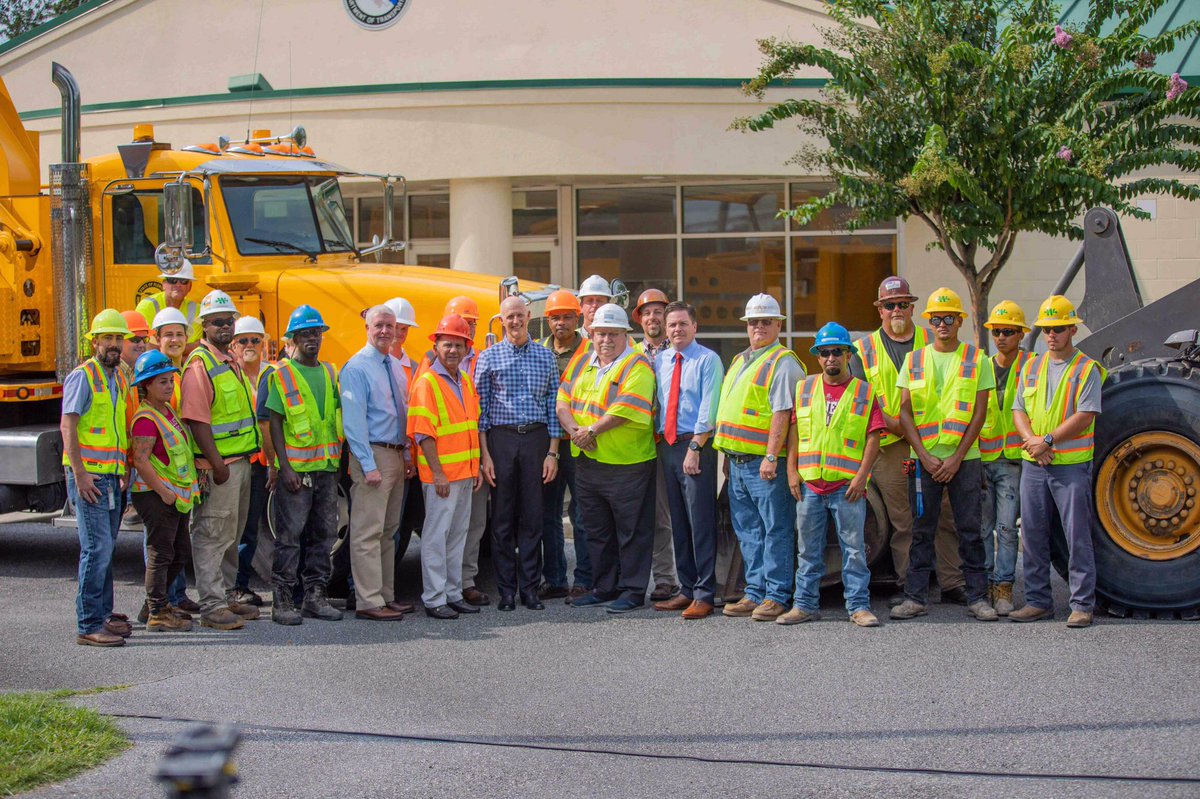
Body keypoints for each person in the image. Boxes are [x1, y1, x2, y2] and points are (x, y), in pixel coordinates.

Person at [851, 277, 965, 606]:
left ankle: (952, 581)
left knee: (944, 514)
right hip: (890, 446)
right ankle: (910, 584)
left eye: (903, 303)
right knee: (903, 518)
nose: (897, 310)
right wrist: (904, 429)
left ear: (913, 308)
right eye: (890, 305)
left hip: (936, 442)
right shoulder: (863, 349)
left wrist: (924, 436)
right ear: (880, 310)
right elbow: (866, 402)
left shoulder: (934, 339)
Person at [891, 288, 998, 622]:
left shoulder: (977, 359)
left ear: (960, 321)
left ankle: (978, 597)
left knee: (970, 530)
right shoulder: (914, 360)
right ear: (929, 322)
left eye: (948, 318)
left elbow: (979, 414)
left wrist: (956, 458)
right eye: (936, 319)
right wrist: (923, 455)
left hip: (964, 461)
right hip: (924, 461)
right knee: (921, 530)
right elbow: (904, 412)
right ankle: (915, 598)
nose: (942, 324)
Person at [556, 304, 658, 614]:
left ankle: (632, 590)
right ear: (592, 334)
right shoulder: (581, 361)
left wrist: (591, 431)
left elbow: (627, 407)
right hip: (589, 461)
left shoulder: (636, 364)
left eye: (613, 334)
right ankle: (604, 587)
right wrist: (574, 430)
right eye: (600, 333)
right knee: (597, 529)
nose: (606, 340)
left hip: (628, 464)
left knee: (631, 531)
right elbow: (562, 400)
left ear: (625, 334)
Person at [1010, 296, 1104, 628]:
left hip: (1070, 466)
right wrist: (1034, 443)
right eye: (1047, 329)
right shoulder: (1031, 367)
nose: (1052, 335)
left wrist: (1047, 441)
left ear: (1072, 330)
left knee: (1076, 536)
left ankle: (1082, 605)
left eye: (1059, 328)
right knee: (1032, 535)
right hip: (1034, 463)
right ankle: (1038, 602)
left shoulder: (1086, 369)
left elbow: (1086, 414)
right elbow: (1018, 409)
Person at [784, 323, 885, 627]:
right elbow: (794, 432)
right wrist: (791, 471)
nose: (831, 357)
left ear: (848, 355)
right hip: (810, 485)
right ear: (817, 356)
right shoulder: (804, 388)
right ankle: (804, 605)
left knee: (854, 551)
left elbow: (873, 436)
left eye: (837, 352)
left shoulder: (864, 392)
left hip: (847, 486)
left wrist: (862, 477)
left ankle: (858, 606)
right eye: (825, 352)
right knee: (807, 551)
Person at [714, 294, 804, 622]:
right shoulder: (741, 359)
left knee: (775, 528)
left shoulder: (783, 363)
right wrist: (728, 455)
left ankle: (776, 595)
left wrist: (770, 456)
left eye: (766, 322)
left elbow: (783, 413)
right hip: (738, 463)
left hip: (764, 465)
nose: (759, 327)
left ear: (778, 325)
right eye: (754, 322)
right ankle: (754, 592)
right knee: (749, 530)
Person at [180, 290, 261, 631]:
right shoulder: (200, 364)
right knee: (212, 535)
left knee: (230, 535)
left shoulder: (228, 360)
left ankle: (226, 596)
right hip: (220, 468)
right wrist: (216, 465)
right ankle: (212, 605)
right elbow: (197, 420)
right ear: (204, 326)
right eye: (217, 322)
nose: (225, 327)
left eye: (229, 321)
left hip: (238, 462)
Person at [475, 296, 561, 610]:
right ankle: (507, 591)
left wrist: (552, 453)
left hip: (537, 439)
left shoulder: (546, 357)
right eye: (509, 317)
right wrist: (485, 455)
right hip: (501, 440)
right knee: (501, 518)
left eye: (519, 315)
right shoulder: (488, 357)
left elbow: (553, 406)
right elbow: (481, 412)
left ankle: (530, 589)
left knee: (533, 517)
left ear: (528, 316)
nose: (515, 321)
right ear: (501, 321)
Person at [265, 305, 344, 625]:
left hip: (326, 468)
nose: (312, 338)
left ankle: (315, 597)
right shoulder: (282, 374)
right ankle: (282, 600)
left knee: (323, 536)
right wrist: (284, 467)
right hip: (297, 471)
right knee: (289, 537)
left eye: (316, 333)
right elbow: (274, 422)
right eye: (305, 334)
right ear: (293, 339)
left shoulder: (328, 372)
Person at [61, 309, 134, 647]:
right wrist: (80, 474)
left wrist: (122, 469)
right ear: (94, 342)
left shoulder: (119, 376)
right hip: (90, 477)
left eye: (119, 338)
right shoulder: (83, 376)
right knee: (96, 549)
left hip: (111, 476)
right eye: (108, 338)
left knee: (105, 549)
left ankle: (102, 615)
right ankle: (89, 624)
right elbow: (68, 426)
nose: (114, 344)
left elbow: (117, 430)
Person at [340, 304, 415, 622]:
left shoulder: (394, 366)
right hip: (373, 454)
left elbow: (402, 412)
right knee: (367, 531)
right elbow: (353, 422)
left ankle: (386, 595)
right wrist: (367, 464)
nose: (385, 331)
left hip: (395, 454)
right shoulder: (356, 368)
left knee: (388, 531)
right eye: (379, 325)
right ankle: (368, 600)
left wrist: (406, 454)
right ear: (367, 328)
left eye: (390, 325)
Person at [407, 314, 484, 619]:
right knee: (436, 537)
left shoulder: (464, 380)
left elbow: (471, 425)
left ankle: (453, 593)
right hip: (441, 477)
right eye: (447, 344)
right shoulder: (427, 382)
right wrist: (438, 473)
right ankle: (435, 598)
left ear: (467, 349)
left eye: (458, 345)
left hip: (464, 473)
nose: (453, 350)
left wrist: (475, 467)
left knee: (456, 537)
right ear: (435, 347)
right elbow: (423, 433)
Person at [651, 301, 723, 620]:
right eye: (672, 325)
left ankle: (705, 593)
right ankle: (687, 588)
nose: (677, 329)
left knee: (700, 522)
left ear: (695, 326)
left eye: (682, 323)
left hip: (696, 445)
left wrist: (695, 447)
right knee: (678, 521)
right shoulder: (661, 360)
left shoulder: (708, 360)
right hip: (667, 446)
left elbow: (709, 407)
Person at [128, 350, 199, 633]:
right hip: (155, 495)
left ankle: (153, 606)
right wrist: (163, 492)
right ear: (147, 385)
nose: (169, 386)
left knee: (179, 553)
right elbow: (140, 460)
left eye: (170, 380)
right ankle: (157, 612)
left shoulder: (167, 412)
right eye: (162, 382)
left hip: (173, 495)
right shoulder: (146, 419)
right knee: (161, 553)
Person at [538, 289, 593, 602]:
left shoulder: (590, 351)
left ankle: (584, 578)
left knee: (582, 514)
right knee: (548, 514)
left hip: (579, 443)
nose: (561, 322)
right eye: (555, 317)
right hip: (549, 445)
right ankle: (555, 579)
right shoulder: (539, 350)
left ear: (577, 318)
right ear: (548, 321)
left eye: (567, 317)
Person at [978, 300, 1033, 616]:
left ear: (1021, 334)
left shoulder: (1031, 365)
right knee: (984, 527)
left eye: (1008, 332)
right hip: (984, 457)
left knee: (1008, 528)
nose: (1001, 337)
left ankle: (1004, 587)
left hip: (1014, 459)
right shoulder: (983, 366)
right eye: (997, 331)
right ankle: (986, 585)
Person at [632, 287, 680, 603]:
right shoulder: (630, 353)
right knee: (633, 515)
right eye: (647, 312)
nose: (652, 317)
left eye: (658, 312)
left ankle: (665, 578)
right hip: (633, 444)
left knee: (663, 514)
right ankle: (630, 579)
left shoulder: (678, 351)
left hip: (666, 442)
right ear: (639, 319)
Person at [229, 316, 271, 608]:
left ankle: (240, 585)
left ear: (263, 344)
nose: (249, 345)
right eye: (243, 340)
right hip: (237, 461)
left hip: (264, 462)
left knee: (251, 528)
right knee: (234, 527)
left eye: (255, 340)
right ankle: (232, 587)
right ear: (233, 345)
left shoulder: (273, 374)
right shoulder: (229, 376)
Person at [136, 259, 201, 343]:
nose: (178, 285)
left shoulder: (196, 310)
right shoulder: (146, 307)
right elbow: (145, 345)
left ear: (190, 286)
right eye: (172, 280)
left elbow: (197, 345)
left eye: (183, 281)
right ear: (163, 284)